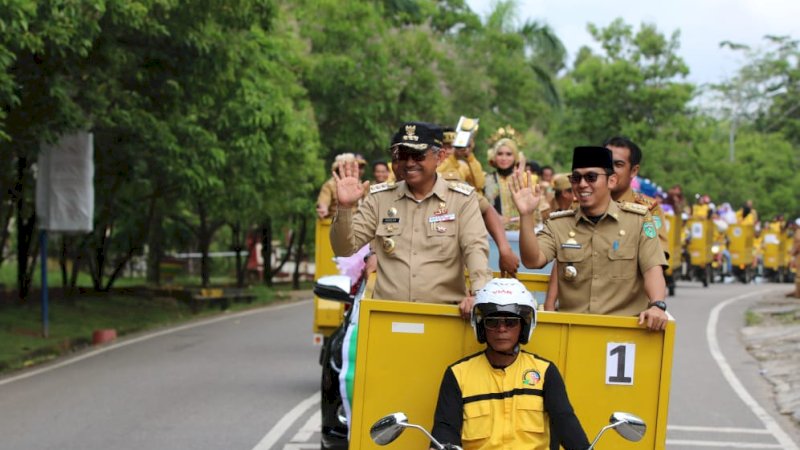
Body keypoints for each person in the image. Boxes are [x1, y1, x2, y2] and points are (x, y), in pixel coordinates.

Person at [330, 121, 492, 317]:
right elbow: (344, 248)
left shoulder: (461, 199)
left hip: (444, 318)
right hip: (387, 317)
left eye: (418, 155)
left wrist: (479, 294)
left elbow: (475, 248)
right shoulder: (379, 198)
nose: (409, 163)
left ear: (439, 157)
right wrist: (345, 208)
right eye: (403, 155)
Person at [510, 146, 669, 331]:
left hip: (624, 333)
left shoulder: (639, 221)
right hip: (571, 331)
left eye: (591, 177)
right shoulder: (559, 224)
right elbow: (532, 260)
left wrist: (657, 305)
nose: (582, 184)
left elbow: (652, 270)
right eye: (576, 178)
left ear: (611, 180)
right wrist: (526, 215)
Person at [430, 278, 590, 450]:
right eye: (492, 321)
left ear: (524, 326)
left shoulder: (545, 372)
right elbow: (444, 431)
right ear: (481, 326)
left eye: (511, 322)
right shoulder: (458, 374)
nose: (501, 329)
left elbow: (567, 425)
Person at [316, 153, 367, 219]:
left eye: (352, 166)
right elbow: (323, 200)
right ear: (338, 169)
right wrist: (323, 208)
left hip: (357, 222)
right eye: (348, 166)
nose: (351, 168)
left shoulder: (358, 183)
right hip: (336, 223)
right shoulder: (330, 185)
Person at [788, 218, 800, 298]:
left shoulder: (798, 232)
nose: (793, 226)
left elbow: (798, 243)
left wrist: (793, 252)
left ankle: (798, 294)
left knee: (798, 276)